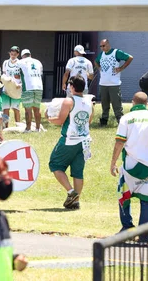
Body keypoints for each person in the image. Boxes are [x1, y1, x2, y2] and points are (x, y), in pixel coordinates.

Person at [110, 92, 148, 242]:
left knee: (124, 197)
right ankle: (144, 235)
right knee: (147, 200)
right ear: (147, 102)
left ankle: (127, 228)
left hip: (130, 166)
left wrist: (113, 163)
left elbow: (119, 143)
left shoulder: (126, 118)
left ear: (133, 103)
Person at [46, 76, 94, 210]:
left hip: (69, 140)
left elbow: (60, 120)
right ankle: (75, 201)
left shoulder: (69, 101)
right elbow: (88, 121)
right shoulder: (89, 102)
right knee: (78, 172)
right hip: (84, 141)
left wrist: (49, 118)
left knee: (55, 164)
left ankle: (70, 192)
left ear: (72, 87)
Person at [94, 39, 133, 126]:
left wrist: (121, 68)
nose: (102, 48)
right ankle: (104, 121)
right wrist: (99, 68)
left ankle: (121, 122)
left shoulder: (116, 52)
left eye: (103, 46)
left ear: (108, 44)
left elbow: (130, 58)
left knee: (117, 105)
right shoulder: (102, 54)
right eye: (101, 46)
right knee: (104, 104)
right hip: (103, 83)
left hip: (114, 84)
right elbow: (96, 61)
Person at [18, 49, 44, 132]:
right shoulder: (38, 62)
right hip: (39, 87)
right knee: (37, 108)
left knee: (28, 109)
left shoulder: (21, 62)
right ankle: (37, 128)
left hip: (28, 87)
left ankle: (28, 128)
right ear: (30, 54)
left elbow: (16, 75)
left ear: (22, 56)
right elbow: (40, 73)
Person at [2, 46, 22, 125]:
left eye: (14, 54)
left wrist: (20, 84)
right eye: (11, 54)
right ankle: (5, 126)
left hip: (16, 88)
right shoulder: (6, 62)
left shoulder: (20, 63)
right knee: (5, 108)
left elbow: (23, 76)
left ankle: (18, 125)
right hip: (6, 88)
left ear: (18, 54)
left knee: (15, 108)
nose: (13, 56)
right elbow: (4, 74)